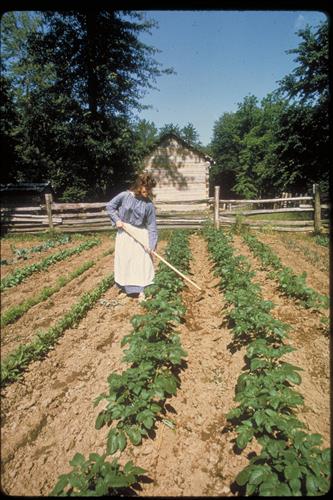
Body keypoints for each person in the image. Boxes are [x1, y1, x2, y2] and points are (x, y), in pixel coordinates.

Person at [106, 173, 158, 302]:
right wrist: (117, 220)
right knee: (125, 261)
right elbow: (110, 207)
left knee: (142, 264)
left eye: (150, 189)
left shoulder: (149, 205)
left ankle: (142, 291)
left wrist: (151, 245)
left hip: (140, 234)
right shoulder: (125, 196)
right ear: (139, 186)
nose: (149, 192)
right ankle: (125, 289)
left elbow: (152, 226)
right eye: (147, 189)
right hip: (124, 233)